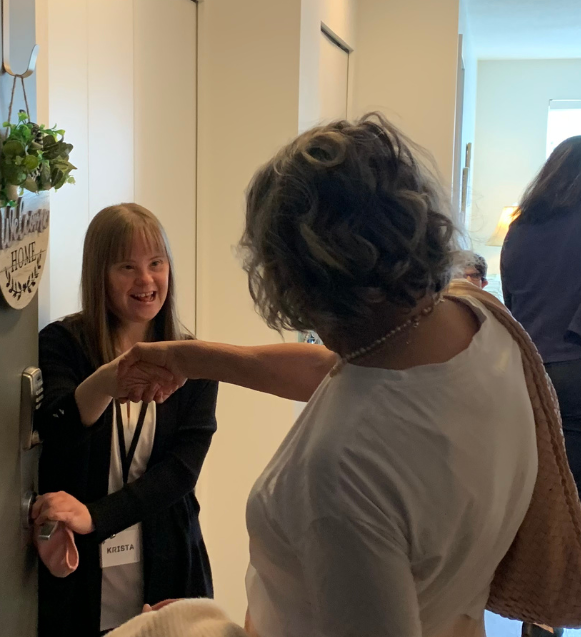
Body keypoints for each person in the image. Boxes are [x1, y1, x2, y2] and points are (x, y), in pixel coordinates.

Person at [120, 115, 537, 637]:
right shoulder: (479, 324)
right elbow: (344, 378)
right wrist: (192, 359)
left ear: (295, 276)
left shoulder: (340, 473)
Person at [33, 203, 218, 637]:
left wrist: (96, 516)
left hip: (168, 559)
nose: (146, 281)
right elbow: (57, 436)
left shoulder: (192, 357)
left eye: (157, 264)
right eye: (127, 267)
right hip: (78, 571)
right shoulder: (62, 344)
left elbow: (181, 471)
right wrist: (106, 381)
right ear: (100, 274)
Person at [502, 135, 581, 491]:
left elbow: (512, 305)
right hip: (574, 365)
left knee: (537, 490)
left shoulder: (519, 227)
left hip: (525, 370)